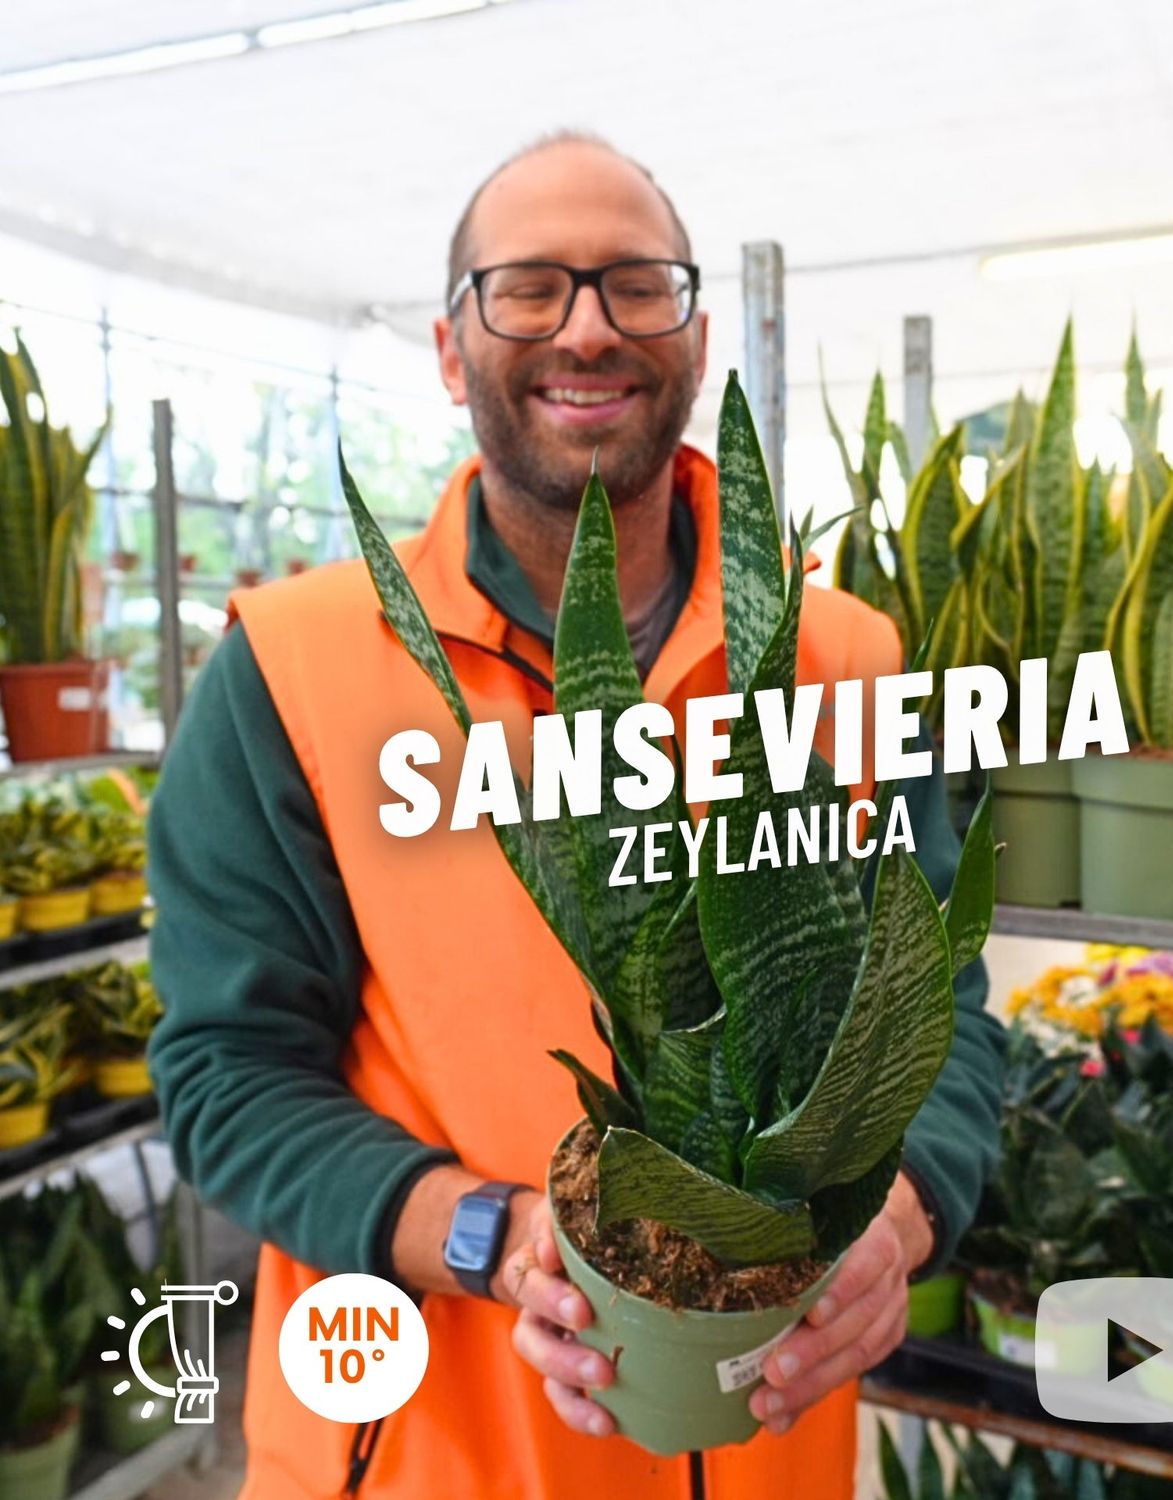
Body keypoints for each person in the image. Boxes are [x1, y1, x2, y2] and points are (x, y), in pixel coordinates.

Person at [147, 132, 1004, 1500]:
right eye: (529, 287)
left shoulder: (842, 659)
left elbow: (945, 1013)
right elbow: (227, 1071)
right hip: (421, 1455)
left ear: (698, 333)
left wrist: (901, 1223)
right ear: (449, 347)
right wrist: (486, 1235)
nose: (589, 327)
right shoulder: (292, 669)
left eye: (636, 283)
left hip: (766, 1448)